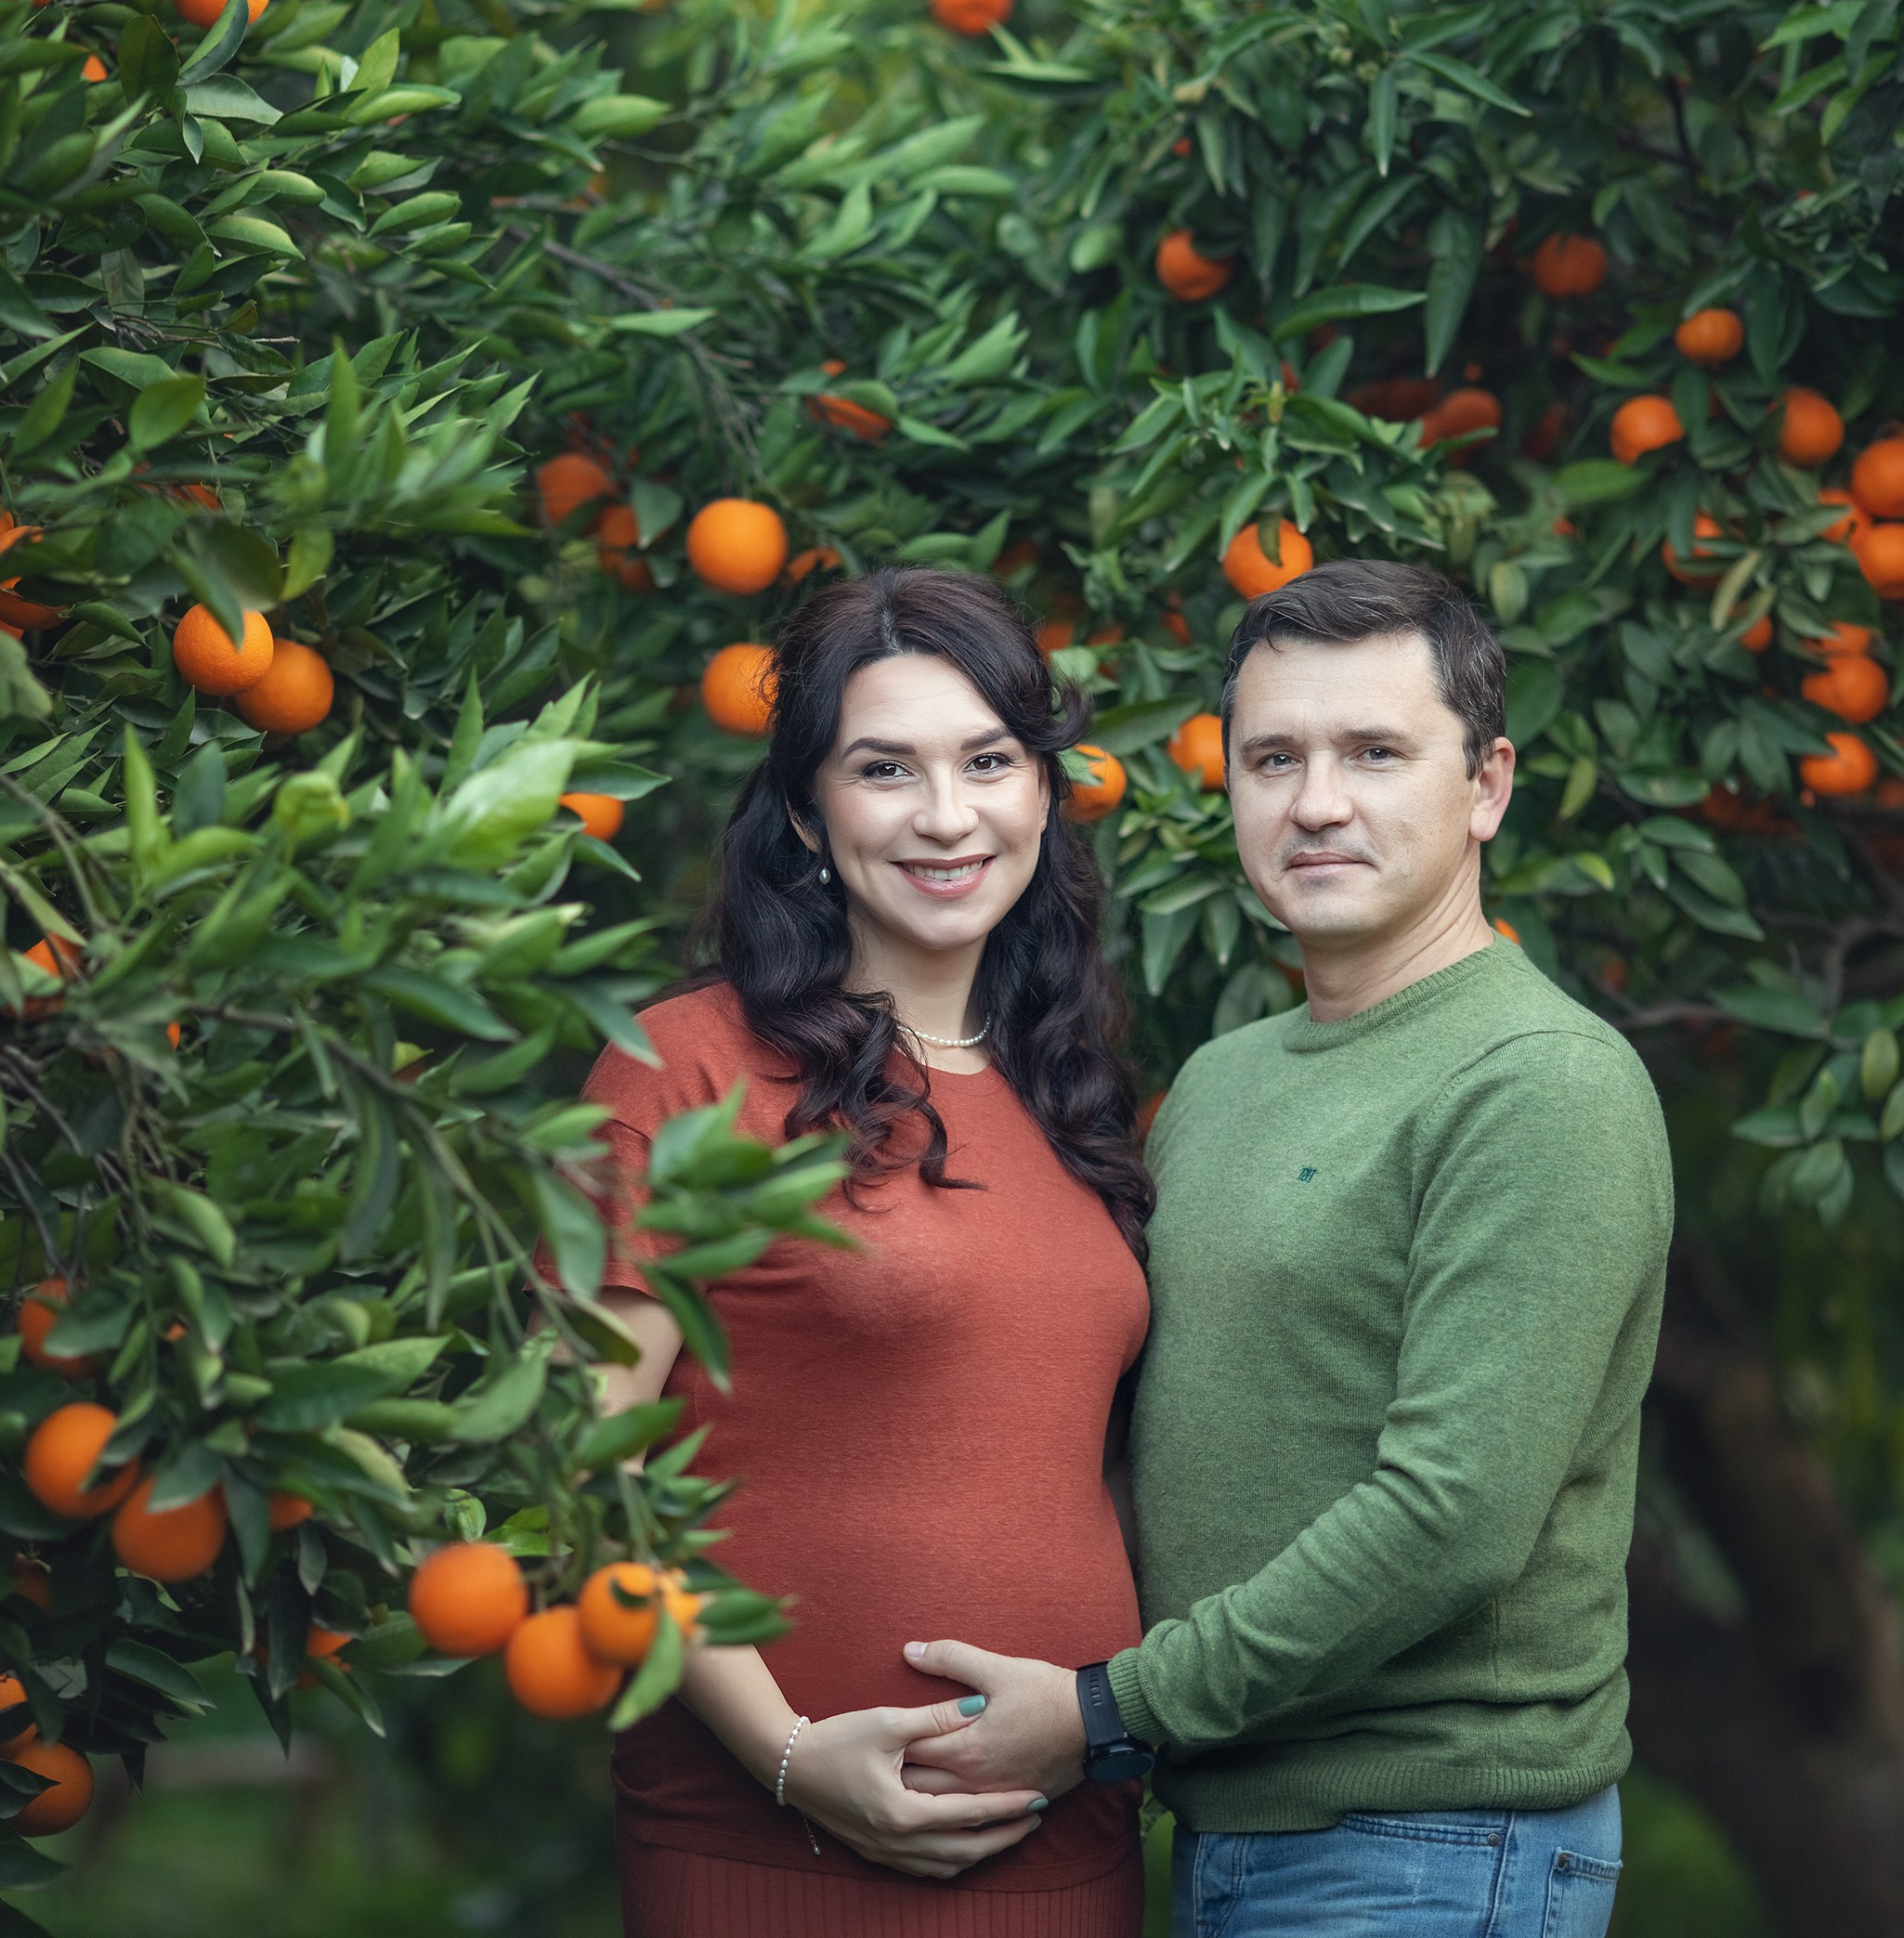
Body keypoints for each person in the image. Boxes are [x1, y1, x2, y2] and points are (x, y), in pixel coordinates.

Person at [899, 559, 1676, 1938]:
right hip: (1238, 1829)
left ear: (1486, 784)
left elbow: (1450, 1520)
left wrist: (1103, 1712)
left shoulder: (1543, 1082)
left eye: (1376, 752)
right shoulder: (1222, 1079)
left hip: (1436, 1841)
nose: (1317, 802)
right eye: (1274, 758)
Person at [584, 567, 1154, 1937]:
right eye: (885, 768)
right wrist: (786, 1752)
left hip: (1069, 1853)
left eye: (988, 762)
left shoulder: (1075, 1096)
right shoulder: (687, 1067)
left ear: (1040, 791)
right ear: (804, 809)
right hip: (770, 1851)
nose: (947, 816)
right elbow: (573, 1459)